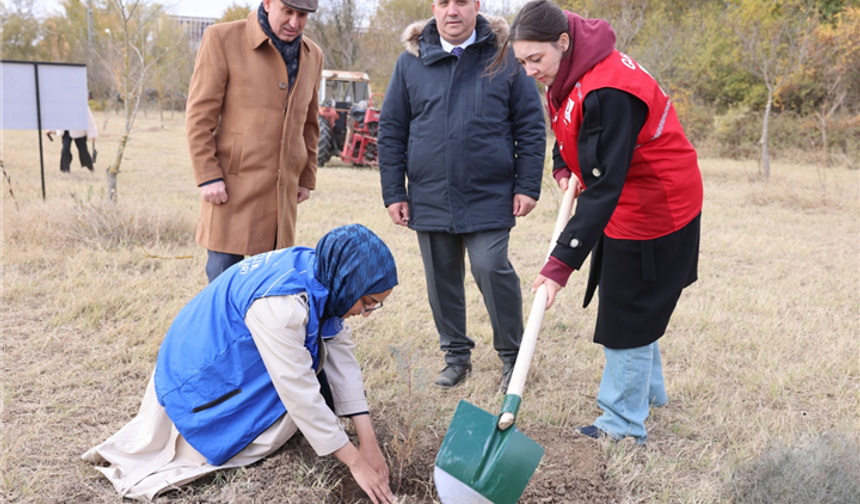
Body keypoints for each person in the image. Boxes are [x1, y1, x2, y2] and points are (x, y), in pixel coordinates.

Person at [502, 0, 703, 444]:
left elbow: (605, 186)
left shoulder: (610, 90)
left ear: (564, 41)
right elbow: (569, 128)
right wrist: (561, 167)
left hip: (655, 206)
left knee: (628, 311)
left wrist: (558, 267)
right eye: (522, 62)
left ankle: (623, 426)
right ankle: (648, 394)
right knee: (637, 301)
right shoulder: (571, 70)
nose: (530, 71)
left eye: (536, 59)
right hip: (628, 198)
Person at [82, 224, 398, 504]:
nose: (369, 312)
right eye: (367, 302)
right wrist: (355, 462)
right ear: (348, 283)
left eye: (377, 304)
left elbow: (343, 360)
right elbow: (299, 392)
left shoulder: (321, 272)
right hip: (199, 374)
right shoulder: (282, 307)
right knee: (297, 402)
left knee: (320, 379)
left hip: (224, 348)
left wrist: (367, 443)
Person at [378, 0, 546, 393]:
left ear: (478, 6)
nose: (452, 11)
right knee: (441, 279)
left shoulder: (505, 58)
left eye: (462, 2)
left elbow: (531, 126)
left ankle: (512, 357)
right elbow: (391, 131)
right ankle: (456, 356)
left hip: (490, 195)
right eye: (443, 2)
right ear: (433, 8)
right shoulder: (410, 63)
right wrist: (393, 192)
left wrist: (527, 185)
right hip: (429, 194)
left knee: (491, 267)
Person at [186, 0, 324, 283]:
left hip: (281, 196)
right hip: (231, 190)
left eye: (302, 15)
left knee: (270, 291)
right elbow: (199, 117)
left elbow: (310, 123)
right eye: (288, 12)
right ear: (268, 3)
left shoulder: (313, 55)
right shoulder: (222, 39)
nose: (295, 23)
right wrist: (208, 177)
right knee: (224, 287)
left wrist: (307, 177)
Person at [49, 106, 97, 173]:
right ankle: (65, 169)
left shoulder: (81, 104)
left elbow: (89, 119)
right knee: (65, 148)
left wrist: (92, 134)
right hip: (66, 130)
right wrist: (50, 129)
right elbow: (56, 117)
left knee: (83, 150)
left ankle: (90, 166)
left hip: (79, 130)